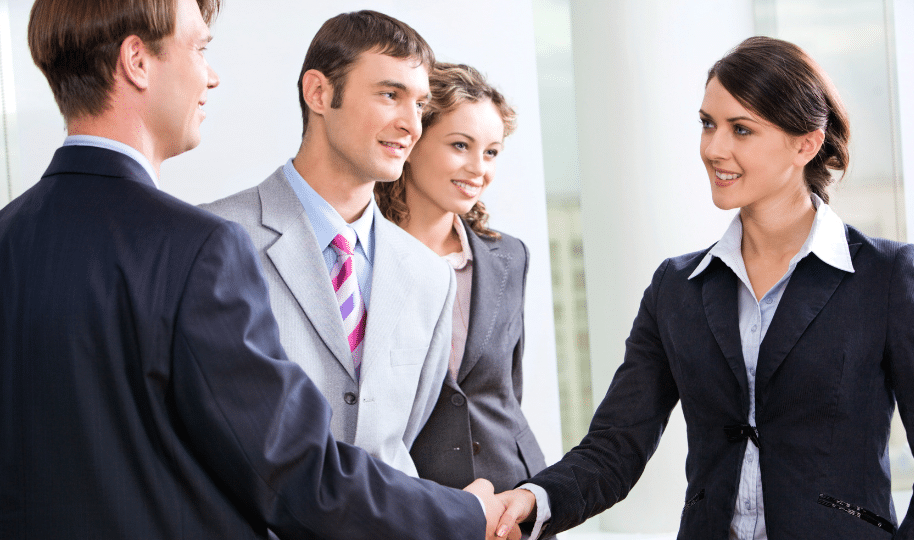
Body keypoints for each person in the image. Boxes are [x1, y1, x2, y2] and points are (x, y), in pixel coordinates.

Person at [0, 1, 514, 538]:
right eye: (199, 48)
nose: (212, 76)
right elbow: (289, 467)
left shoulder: (9, 237)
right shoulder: (203, 245)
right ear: (136, 60)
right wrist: (463, 514)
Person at [494, 36, 914, 539]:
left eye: (742, 129)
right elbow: (616, 445)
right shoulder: (677, 287)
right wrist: (533, 499)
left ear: (806, 143)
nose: (714, 148)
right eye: (707, 124)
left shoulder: (886, 276)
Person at [202, 10, 454, 478]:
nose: (411, 124)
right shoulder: (211, 241)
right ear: (318, 93)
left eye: (419, 104)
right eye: (390, 95)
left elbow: (402, 437)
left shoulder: (430, 276)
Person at [373, 63, 551, 506]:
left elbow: (507, 392)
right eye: (460, 146)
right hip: (414, 505)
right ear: (411, 142)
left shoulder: (509, 256)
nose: (479, 169)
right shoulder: (364, 258)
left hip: (514, 499)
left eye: (491, 152)